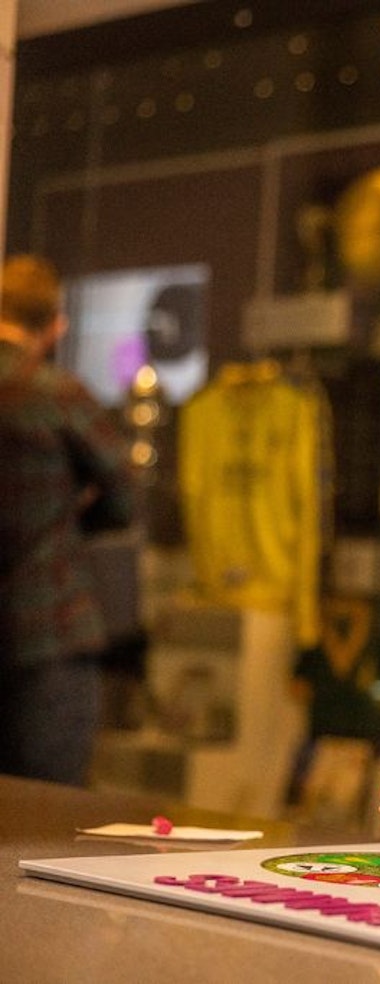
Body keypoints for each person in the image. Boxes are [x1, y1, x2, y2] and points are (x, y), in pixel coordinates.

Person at [0, 254, 135, 784]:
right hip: (48, 627)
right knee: (47, 808)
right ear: (56, 325)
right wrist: (72, 522)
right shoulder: (56, 392)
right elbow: (123, 495)